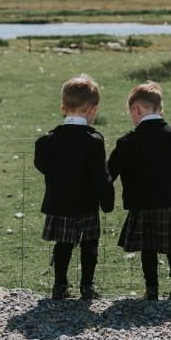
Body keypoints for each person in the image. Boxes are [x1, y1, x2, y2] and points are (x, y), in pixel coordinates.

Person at [108, 81, 171, 300]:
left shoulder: (127, 142)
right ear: (160, 109)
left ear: (136, 109)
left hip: (141, 203)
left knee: (147, 247)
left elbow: (109, 173)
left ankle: (151, 289)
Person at [34, 75, 114, 300]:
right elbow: (99, 175)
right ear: (92, 109)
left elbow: (42, 165)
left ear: (63, 107)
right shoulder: (94, 140)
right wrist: (107, 201)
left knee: (63, 245)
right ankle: (87, 287)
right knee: (89, 245)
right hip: (86, 203)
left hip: (59, 202)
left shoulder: (46, 141)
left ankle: (60, 285)